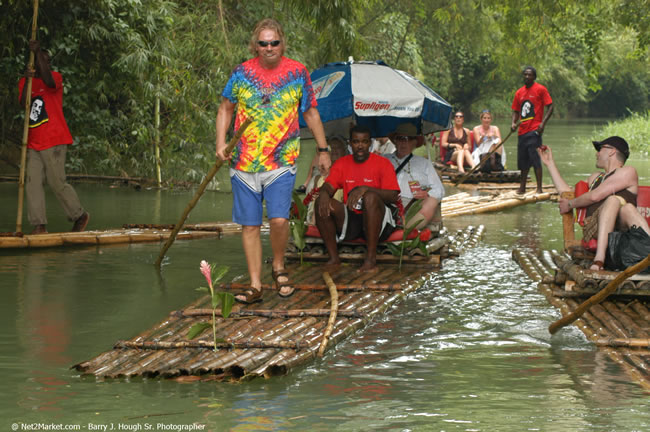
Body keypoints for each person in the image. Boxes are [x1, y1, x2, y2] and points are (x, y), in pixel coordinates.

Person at [215, 18, 331, 303]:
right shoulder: (242, 73)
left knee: (279, 220)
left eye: (274, 43)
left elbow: (311, 113)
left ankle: (278, 265)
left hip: (281, 160)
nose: (269, 48)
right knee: (250, 225)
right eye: (263, 43)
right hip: (243, 162)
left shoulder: (297, 72)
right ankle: (255, 285)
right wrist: (220, 142)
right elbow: (225, 109)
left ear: (282, 44)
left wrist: (323, 149)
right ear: (256, 45)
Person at [538, 136, 650, 271]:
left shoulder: (628, 171)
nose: (596, 153)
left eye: (599, 149)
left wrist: (569, 204)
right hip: (594, 227)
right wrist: (550, 164)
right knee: (614, 200)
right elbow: (566, 192)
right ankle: (599, 260)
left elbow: (595, 196)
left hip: (624, 229)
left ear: (611, 151)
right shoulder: (595, 178)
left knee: (626, 208)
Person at [18, 41, 89, 235]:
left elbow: (48, 81)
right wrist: (27, 78)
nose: (44, 64)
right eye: (41, 61)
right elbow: (23, 103)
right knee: (32, 183)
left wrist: (38, 51)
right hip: (33, 143)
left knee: (56, 182)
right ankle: (39, 225)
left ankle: (79, 215)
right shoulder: (27, 82)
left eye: (46, 61)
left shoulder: (54, 78)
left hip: (54, 140)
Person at [315, 125, 400, 272]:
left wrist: (366, 189)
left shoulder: (383, 163)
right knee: (322, 202)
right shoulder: (342, 163)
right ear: (350, 144)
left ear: (370, 143)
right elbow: (329, 186)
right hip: (353, 219)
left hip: (380, 221)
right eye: (355, 142)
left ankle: (371, 260)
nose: (360, 146)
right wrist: (323, 193)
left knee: (370, 198)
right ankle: (334, 258)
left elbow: (393, 196)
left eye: (364, 142)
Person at [384, 123, 444, 230]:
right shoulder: (384, 159)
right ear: (395, 141)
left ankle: (406, 231)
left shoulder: (424, 163)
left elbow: (439, 189)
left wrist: (426, 194)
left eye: (408, 139)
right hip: (386, 203)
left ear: (414, 142)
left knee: (432, 201)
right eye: (400, 138)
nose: (404, 142)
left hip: (413, 207)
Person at [511, 66, 553, 194]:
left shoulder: (540, 89)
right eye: (525, 75)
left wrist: (543, 124)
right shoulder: (519, 92)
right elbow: (516, 110)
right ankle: (522, 187)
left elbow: (550, 106)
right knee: (523, 161)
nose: (527, 77)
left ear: (534, 77)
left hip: (535, 131)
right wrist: (513, 122)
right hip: (522, 131)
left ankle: (539, 188)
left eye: (530, 75)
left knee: (535, 159)